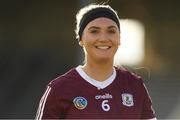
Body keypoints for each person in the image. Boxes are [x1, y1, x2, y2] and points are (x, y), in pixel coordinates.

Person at [35, 3, 156, 119]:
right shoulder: (59, 89)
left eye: (111, 31)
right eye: (94, 31)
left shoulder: (135, 85)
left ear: (119, 39)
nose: (103, 38)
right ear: (81, 39)